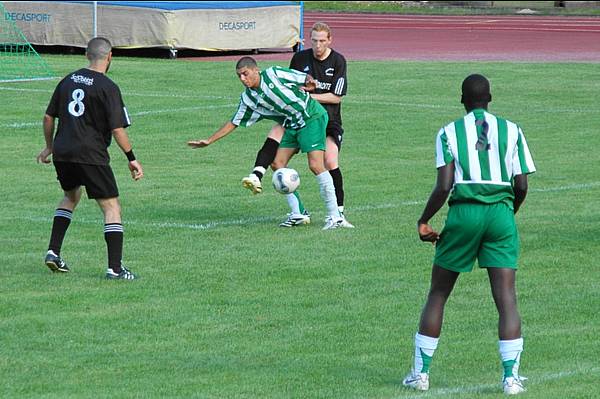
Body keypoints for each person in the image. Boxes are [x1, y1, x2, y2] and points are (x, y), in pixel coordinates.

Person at [402, 74, 536, 395]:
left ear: (462, 100)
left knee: (438, 293)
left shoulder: (448, 132)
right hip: (501, 214)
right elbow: (521, 185)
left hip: (463, 214)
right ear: (490, 97)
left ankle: (421, 375)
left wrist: (424, 220)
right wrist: (507, 212)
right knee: (506, 298)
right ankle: (510, 379)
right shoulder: (512, 130)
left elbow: (444, 185)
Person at [188, 56, 344, 230]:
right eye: (239, 76)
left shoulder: (274, 74)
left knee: (315, 165)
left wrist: (310, 82)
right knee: (277, 163)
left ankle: (334, 217)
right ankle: (299, 213)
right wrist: (209, 140)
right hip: (292, 123)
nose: (242, 79)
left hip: (311, 117)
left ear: (256, 70)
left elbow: (302, 77)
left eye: (245, 74)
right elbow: (234, 122)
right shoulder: (248, 98)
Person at [37, 37, 143, 280]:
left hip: (64, 153)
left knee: (70, 196)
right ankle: (115, 269)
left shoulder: (67, 80)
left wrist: (49, 147)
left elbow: (47, 118)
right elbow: (118, 130)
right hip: (91, 155)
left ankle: (53, 251)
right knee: (111, 206)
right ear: (110, 56)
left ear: (86, 55)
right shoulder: (108, 87)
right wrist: (132, 158)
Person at [240, 22, 354, 228]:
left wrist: (308, 97)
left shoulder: (338, 61)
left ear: (329, 40)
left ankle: (338, 214)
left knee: (329, 160)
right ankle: (298, 212)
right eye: (314, 41)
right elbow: (289, 85)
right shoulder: (300, 58)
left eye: (322, 41)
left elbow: (336, 98)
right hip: (297, 118)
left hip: (327, 120)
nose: (318, 45)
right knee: (277, 162)